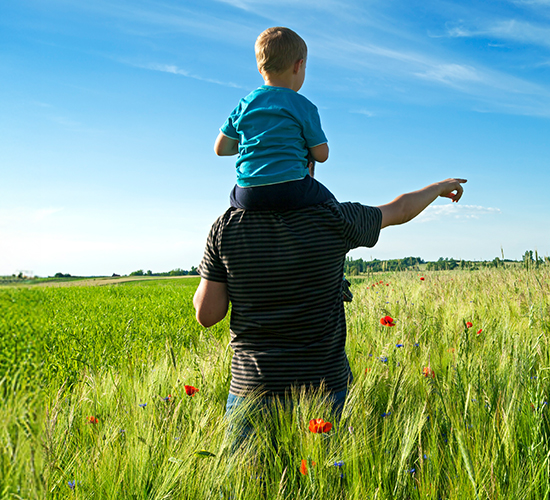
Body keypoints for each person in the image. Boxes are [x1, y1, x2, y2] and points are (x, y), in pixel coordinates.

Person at [193, 177, 467, 454]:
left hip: (253, 388)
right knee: (329, 479)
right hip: (325, 386)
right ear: (307, 165)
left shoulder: (225, 226)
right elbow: (401, 209)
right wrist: (439, 187)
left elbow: (207, 314)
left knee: (250, 486)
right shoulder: (333, 217)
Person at [216, 26, 334, 212]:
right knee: (330, 204)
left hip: (248, 193)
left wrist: (257, 144)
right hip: (291, 189)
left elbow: (221, 149)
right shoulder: (303, 106)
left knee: (235, 199)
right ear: (298, 65)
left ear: (260, 68)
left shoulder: (245, 104)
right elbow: (322, 155)